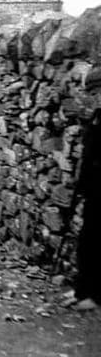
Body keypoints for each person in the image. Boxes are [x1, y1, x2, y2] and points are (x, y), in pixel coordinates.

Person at [76, 107, 101, 311]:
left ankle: (94, 294)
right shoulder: (96, 119)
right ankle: (82, 289)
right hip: (93, 190)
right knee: (86, 241)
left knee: (93, 242)